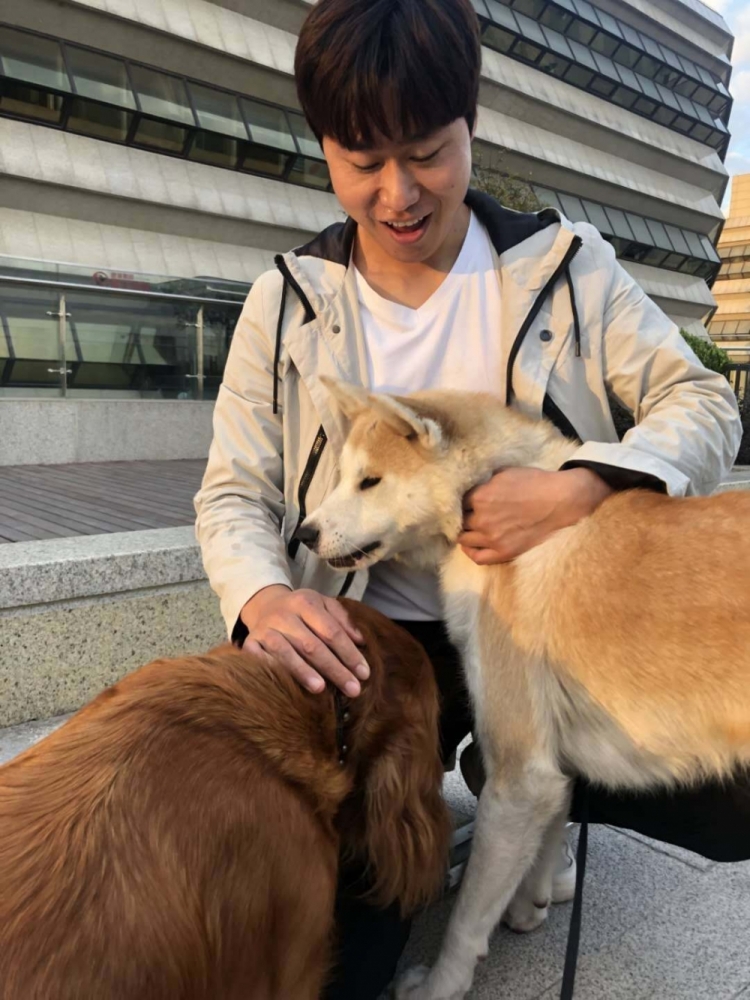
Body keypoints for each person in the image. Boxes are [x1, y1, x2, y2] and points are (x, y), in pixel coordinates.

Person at [194, 0, 741, 996]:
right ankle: (495, 791)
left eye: (426, 154)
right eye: (364, 161)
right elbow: (233, 489)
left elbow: (702, 400)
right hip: (369, 645)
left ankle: (529, 781)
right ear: (324, 148)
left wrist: (583, 484)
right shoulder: (288, 301)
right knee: (348, 947)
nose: (399, 193)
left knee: (728, 794)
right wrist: (263, 599)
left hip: (537, 620)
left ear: (471, 124)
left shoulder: (567, 268)